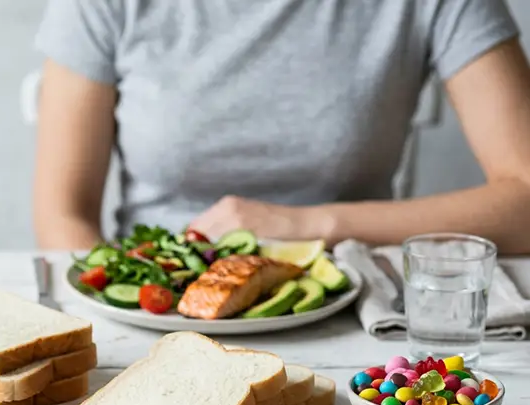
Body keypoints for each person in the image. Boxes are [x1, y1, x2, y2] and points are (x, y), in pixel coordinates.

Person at [31, 1, 530, 254]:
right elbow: (62, 215)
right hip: (155, 308)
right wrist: (125, 302)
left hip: (359, 307)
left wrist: (313, 226)